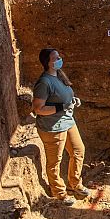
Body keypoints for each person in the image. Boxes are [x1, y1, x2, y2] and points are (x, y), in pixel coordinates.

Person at [31, 49, 88, 206]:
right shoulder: (44, 82)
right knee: (55, 162)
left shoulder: (59, 75)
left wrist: (73, 100)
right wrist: (62, 106)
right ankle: (59, 193)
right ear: (47, 62)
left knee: (78, 151)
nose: (59, 59)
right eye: (55, 58)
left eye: (59, 57)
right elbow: (38, 109)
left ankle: (75, 184)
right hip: (53, 127)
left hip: (67, 121)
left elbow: (64, 95)